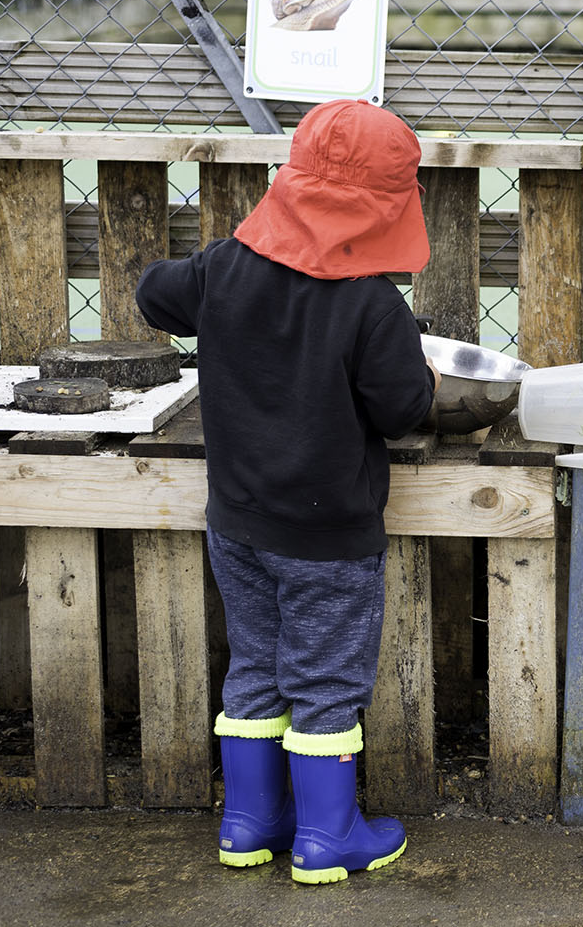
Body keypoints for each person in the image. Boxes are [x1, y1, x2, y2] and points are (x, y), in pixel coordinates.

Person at [137, 98, 440, 885]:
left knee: (256, 668)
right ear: (384, 211)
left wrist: (217, 284)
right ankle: (327, 838)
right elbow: (404, 409)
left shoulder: (224, 267)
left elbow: (154, 295)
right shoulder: (374, 305)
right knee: (326, 682)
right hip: (327, 541)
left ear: (291, 183)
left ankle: (248, 823)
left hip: (237, 525)